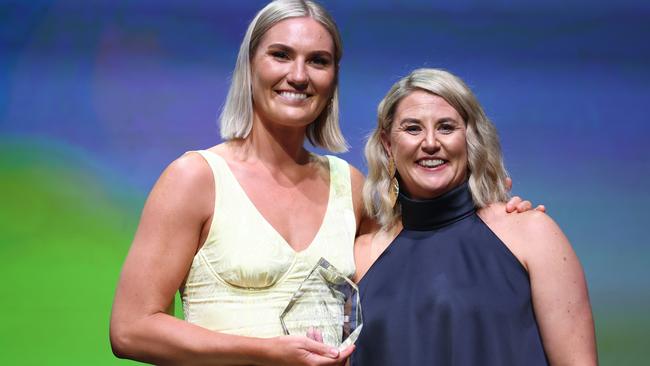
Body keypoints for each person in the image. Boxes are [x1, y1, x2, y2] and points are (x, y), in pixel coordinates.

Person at [109, 1, 537, 365]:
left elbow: (432, 237)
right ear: (249, 66)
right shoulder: (197, 178)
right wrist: (265, 353)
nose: (299, 75)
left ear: (333, 79)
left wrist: (498, 214)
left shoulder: (349, 186)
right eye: (280, 55)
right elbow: (130, 330)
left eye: (318, 61)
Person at [352, 68, 597, 366]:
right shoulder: (361, 258)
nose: (430, 142)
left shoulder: (532, 234)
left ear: (470, 138)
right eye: (413, 128)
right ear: (388, 144)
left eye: (446, 127)